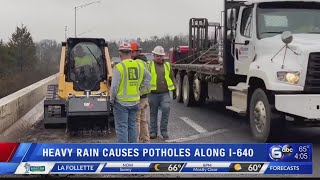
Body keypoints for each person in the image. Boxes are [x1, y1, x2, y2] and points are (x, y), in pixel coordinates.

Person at [110, 42, 151, 143]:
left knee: (122, 127)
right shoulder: (138, 65)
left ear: (120, 54)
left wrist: (111, 99)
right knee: (132, 126)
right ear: (130, 53)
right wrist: (139, 89)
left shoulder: (119, 67)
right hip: (135, 101)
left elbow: (114, 87)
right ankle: (133, 151)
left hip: (121, 103)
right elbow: (148, 76)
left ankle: (124, 154)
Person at [148, 46, 176, 140]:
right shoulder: (149, 65)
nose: (159, 57)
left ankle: (164, 131)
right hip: (152, 93)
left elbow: (172, 77)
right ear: (153, 56)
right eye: (157, 56)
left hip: (165, 93)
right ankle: (153, 132)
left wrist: (174, 89)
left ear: (163, 56)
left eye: (160, 56)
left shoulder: (167, 65)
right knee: (153, 112)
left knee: (165, 109)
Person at [130, 41, 150, 143]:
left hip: (139, 95)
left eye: (131, 52)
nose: (130, 54)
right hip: (144, 95)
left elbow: (143, 78)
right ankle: (145, 141)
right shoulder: (144, 61)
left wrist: (138, 90)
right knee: (143, 119)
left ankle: (136, 143)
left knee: (136, 120)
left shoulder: (137, 62)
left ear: (136, 52)